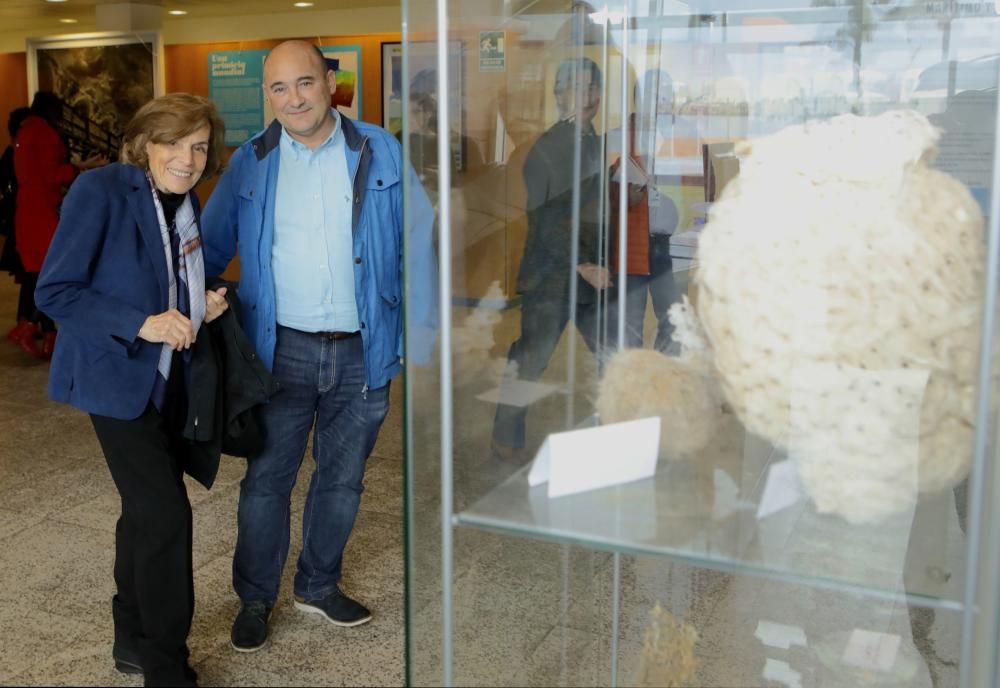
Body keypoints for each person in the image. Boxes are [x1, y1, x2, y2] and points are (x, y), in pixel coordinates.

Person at [200, 39, 435, 653]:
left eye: (304, 83)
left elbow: (419, 240)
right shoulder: (250, 161)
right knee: (266, 481)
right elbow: (207, 243)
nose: (293, 98)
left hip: (365, 348)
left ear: (329, 83)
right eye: (279, 88)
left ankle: (318, 585)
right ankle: (255, 596)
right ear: (267, 96)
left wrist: (419, 335)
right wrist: (190, 307)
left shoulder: (378, 148)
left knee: (343, 479)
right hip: (281, 351)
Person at [34, 93, 230, 687]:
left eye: (199, 147)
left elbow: (170, 273)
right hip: (114, 377)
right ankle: (167, 668)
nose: (188, 158)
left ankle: (131, 632)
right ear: (146, 144)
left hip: (167, 378)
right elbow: (56, 291)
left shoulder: (180, 199)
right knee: (166, 515)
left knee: (143, 512)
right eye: (175, 143)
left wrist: (201, 305)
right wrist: (142, 322)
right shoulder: (103, 191)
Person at [491, 57, 610, 463]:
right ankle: (505, 438)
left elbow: (593, 207)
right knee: (531, 360)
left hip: (592, 273)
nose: (586, 96)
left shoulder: (595, 141)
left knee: (612, 353)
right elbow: (545, 216)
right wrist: (581, 263)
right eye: (575, 87)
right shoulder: (547, 147)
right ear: (559, 95)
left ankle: (619, 436)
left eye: (592, 87)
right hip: (553, 275)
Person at [12, 91, 104, 358]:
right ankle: (31, 326)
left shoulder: (26, 130)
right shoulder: (46, 133)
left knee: (37, 270)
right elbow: (52, 173)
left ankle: (45, 333)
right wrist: (78, 169)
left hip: (27, 208)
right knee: (54, 271)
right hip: (44, 210)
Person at [607, 70, 683, 351]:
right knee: (630, 325)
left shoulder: (674, 137)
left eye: (667, 97)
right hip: (632, 247)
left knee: (673, 320)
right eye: (657, 96)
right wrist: (622, 197)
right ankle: (633, 383)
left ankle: (660, 376)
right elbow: (601, 197)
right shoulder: (618, 138)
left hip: (665, 245)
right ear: (639, 99)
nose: (664, 103)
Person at [0, 107, 30, 322]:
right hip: (20, 217)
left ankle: (27, 320)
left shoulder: (19, 152)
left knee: (30, 272)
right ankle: (27, 322)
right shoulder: (13, 154)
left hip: (21, 215)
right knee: (31, 272)